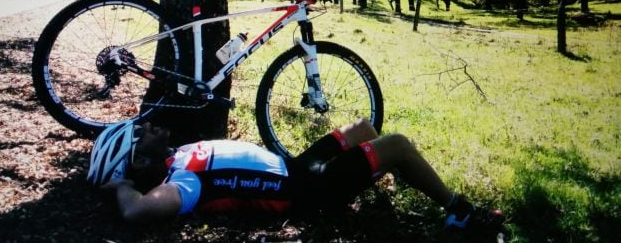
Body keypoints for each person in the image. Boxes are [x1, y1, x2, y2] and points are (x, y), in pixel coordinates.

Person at [88, 119, 505, 234]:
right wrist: (123, 187)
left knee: (361, 127)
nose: (148, 127)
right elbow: (137, 212)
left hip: (295, 169)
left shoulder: (176, 159)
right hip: (304, 191)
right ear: (138, 164)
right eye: (140, 135)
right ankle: (459, 212)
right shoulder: (182, 183)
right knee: (396, 142)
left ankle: (373, 174)